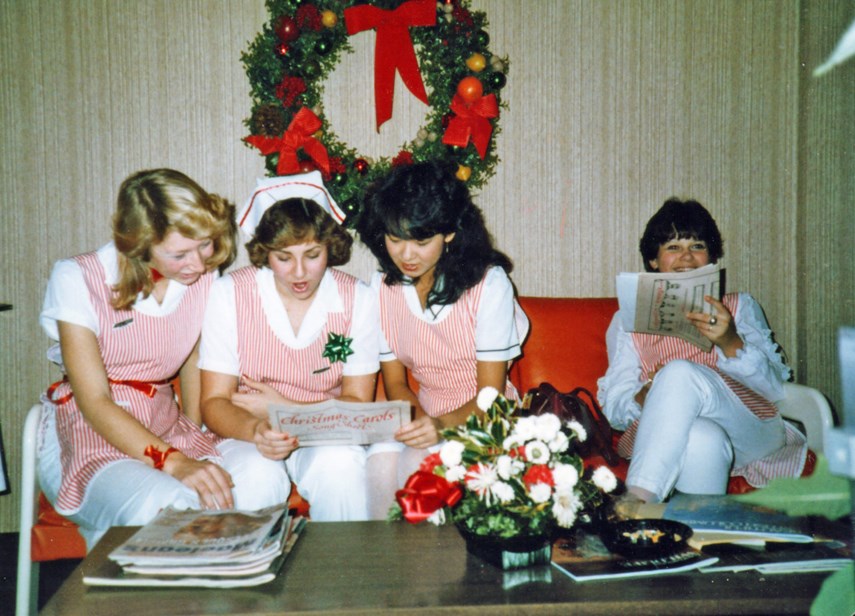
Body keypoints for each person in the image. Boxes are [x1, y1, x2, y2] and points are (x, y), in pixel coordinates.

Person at [39, 169, 291, 550]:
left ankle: (237, 589)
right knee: (164, 503)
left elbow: (192, 356)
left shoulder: (202, 273)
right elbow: (94, 401)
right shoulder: (77, 277)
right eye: (179, 254)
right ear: (138, 245)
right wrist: (174, 462)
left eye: (205, 245)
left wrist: (194, 430)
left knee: (262, 473)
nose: (198, 263)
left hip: (167, 424)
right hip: (91, 434)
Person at [597, 198, 807, 504]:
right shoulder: (627, 320)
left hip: (752, 430)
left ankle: (637, 501)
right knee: (701, 437)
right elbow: (615, 411)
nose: (686, 257)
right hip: (677, 435)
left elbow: (776, 389)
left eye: (697, 246)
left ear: (711, 257)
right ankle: (701, 538)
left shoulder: (739, 306)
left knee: (680, 371)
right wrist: (647, 393)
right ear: (653, 260)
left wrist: (729, 341)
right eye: (672, 247)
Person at [199, 172, 382, 521]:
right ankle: (253, 571)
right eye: (283, 257)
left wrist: (287, 409)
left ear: (330, 246)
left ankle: (340, 572)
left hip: (327, 433)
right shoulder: (230, 294)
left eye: (312, 254)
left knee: (339, 467)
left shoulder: (358, 298)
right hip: (245, 431)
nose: (300, 272)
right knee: (256, 475)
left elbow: (358, 403)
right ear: (264, 251)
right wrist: (258, 430)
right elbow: (213, 402)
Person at [356, 161, 529, 512]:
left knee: (417, 467)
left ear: (449, 233)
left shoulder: (488, 284)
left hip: (485, 419)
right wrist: (422, 424)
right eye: (394, 239)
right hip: (426, 413)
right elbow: (396, 386)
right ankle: (381, 566)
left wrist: (439, 428)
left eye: (421, 241)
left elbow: (491, 395)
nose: (406, 255)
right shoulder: (382, 288)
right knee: (378, 464)